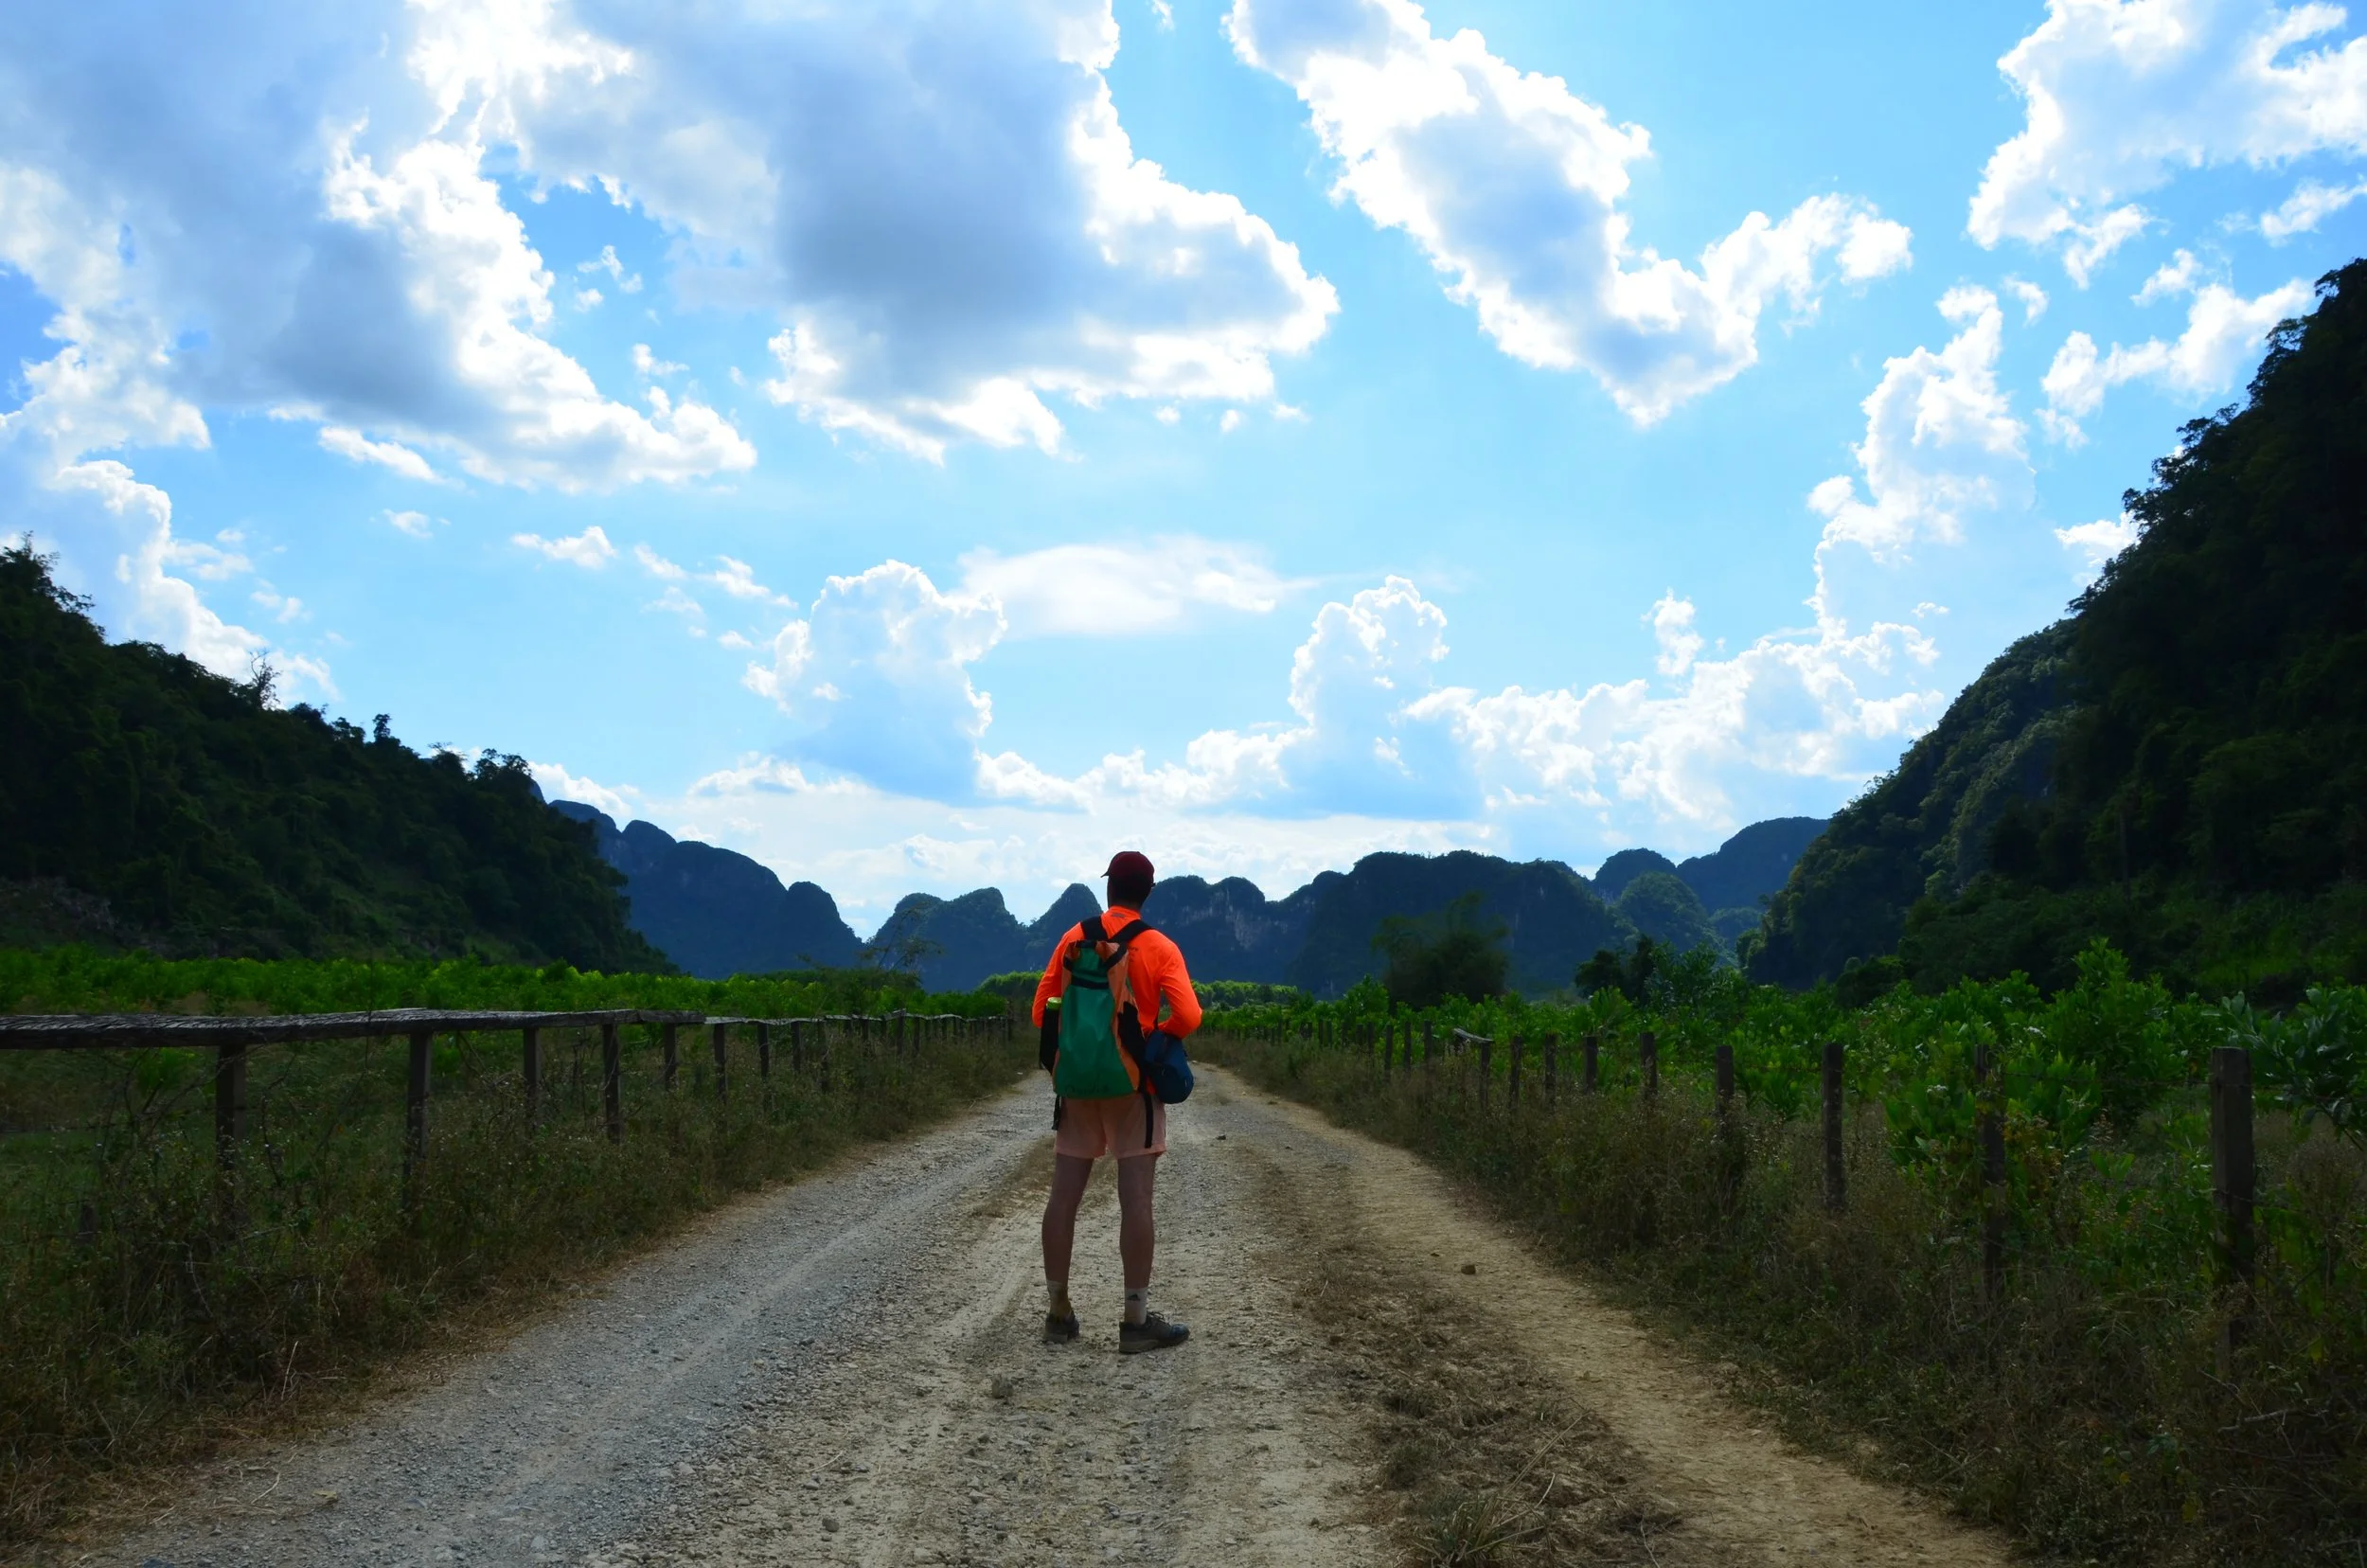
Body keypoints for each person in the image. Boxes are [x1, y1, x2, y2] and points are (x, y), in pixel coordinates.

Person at [1031, 849, 1201, 1353]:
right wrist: (1151, 1038)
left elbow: (1042, 1011)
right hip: (1134, 1089)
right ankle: (1135, 1320)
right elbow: (1189, 1017)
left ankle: (1058, 1312)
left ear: (1108, 889)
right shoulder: (1159, 947)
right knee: (1136, 1200)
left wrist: (1084, 1048)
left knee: (1063, 1198)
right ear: (1147, 893)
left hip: (1078, 1085)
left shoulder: (1073, 937)